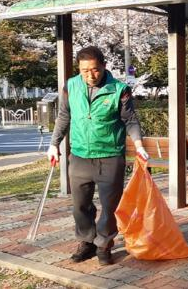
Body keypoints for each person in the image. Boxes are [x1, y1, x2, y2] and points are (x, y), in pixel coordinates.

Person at [47, 46, 148, 265]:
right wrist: (54, 144)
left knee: (110, 206)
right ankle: (87, 241)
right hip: (80, 155)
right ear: (79, 68)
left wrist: (139, 145)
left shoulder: (119, 89)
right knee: (80, 205)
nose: (90, 75)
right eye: (84, 70)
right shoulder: (71, 86)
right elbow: (64, 116)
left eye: (94, 70)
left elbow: (130, 120)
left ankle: (104, 244)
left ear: (103, 66)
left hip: (110, 156)